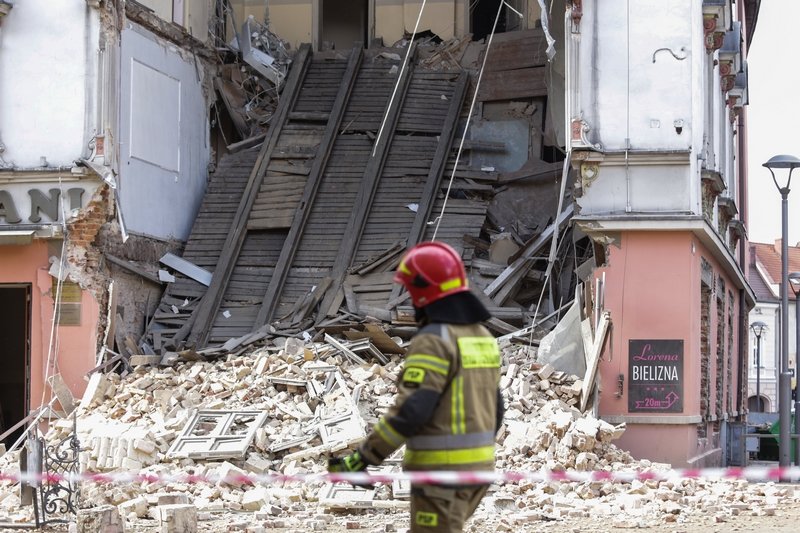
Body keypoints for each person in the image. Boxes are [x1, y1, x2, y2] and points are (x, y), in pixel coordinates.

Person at [329, 241, 504, 532]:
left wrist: (364, 458)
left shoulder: (433, 340)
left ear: (423, 291)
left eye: (411, 290)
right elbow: (496, 408)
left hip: (441, 475)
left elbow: (412, 410)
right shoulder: (482, 337)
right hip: (479, 470)